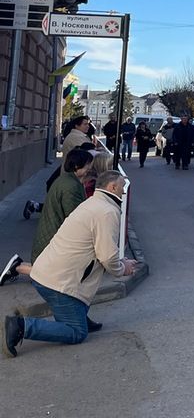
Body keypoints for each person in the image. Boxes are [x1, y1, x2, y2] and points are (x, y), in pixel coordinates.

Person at [3, 171, 137, 357]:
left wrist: (120, 261)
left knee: (83, 289)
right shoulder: (107, 212)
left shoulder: (92, 203)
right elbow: (107, 257)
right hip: (57, 283)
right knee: (77, 333)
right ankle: (21, 326)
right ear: (112, 187)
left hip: (47, 273)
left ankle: (79, 316)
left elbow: (100, 250)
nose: (123, 190)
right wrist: (122, 268)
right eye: (122, 186)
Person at [2, 149, 97, 289]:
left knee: (54, 271)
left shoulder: (67, 180)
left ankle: (18, 265)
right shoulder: (71, 186)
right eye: (88, 164)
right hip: (54, 238)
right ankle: (18, 267)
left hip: (50, 235)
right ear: (77, 166)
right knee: (54, 275)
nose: (90, 167)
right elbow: (75, 216)